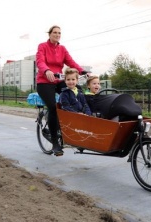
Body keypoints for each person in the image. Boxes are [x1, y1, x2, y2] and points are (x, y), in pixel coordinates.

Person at [36, 25, 86, 156]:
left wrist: (82, 71)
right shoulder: (42, 46)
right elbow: (40, 61)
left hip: (58, 80)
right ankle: (55, 143)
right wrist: (46, 70)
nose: (57, 35)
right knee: (53, 108)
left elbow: (71, 62)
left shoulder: (62, 49)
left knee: (77, 92)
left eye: (59, 33)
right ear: (50, 34)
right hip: (44, 81)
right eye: (55, 32)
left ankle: (74, 131)